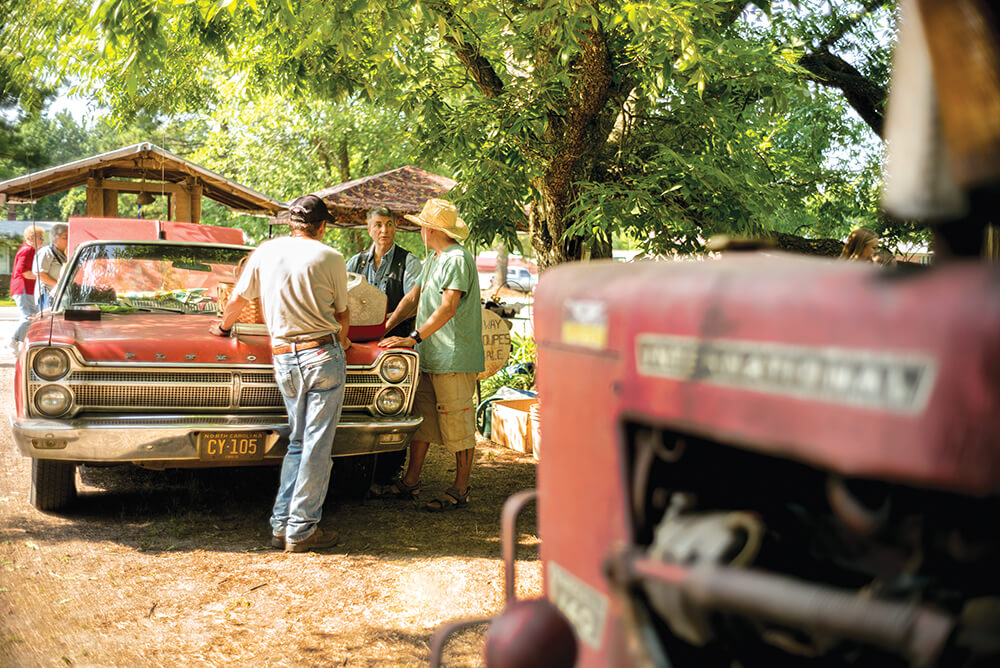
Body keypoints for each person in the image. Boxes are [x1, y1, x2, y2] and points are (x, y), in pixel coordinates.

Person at [210, 194, 351, 553]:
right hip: (321, 354)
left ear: (291, 223)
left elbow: (238, 302)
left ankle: (279, 525)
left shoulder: (265, 252)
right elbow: (342, 315)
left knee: (298, 442)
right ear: (322, 226)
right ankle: (302, 529)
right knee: (317, 446)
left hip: (284, 357)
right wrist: (345, 341)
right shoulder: (331, 257)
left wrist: (224, 329)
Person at [378, 199, 485, 511]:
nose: (419, 229)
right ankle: (410, 482)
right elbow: (413, 298)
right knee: (422, 423)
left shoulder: (457, 258)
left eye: (422, 225)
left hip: (454, 357)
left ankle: (460, 489)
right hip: (430, 355)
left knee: (459, 424)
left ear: (432, 229)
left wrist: (412, 337)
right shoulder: (433, 259)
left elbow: (448, 308)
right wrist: (385, 325)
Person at [347, 206, 422, 495]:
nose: (384, 230)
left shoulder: (408, 261)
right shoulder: (357, 261)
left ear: (396, 227)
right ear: (369, 228)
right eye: (378, 224)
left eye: (389, 224)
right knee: (360, 405)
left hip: (394, 347)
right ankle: (357, 474)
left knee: (394, 407)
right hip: (360, 348)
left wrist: (388, 324)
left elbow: (414, 298)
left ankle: (388, 476)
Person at [9, 225, 46, 354]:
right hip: (23, 287)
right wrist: (43, 277)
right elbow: (24, 272)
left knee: (30, 317)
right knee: (29, 317)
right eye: (40, 238)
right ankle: (13, 342)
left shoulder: (29, 249)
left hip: (25, 288)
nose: (42, 240)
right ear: (31, 238)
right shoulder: (27, 250)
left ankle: (22, 344)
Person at [36, 223, 68, 311]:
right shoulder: (46, 252)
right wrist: (60, 285)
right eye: (65, 237)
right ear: (55, 238)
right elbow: (40, 274)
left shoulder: (64, 254)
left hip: (59, 294)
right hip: (48, 296)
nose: (68, 240)